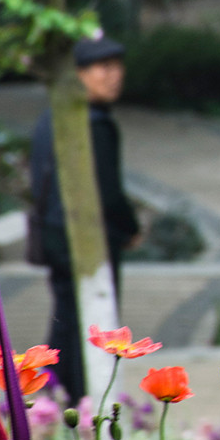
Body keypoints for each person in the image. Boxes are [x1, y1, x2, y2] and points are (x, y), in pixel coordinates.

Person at [29, 34, 141, 406]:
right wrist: (130, 228)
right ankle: (77, 401)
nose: (114, 75)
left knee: (68, 320)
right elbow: (108, 192)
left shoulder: (53, 115)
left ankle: (52, 397)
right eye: (103, 68)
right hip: (86, 240)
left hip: (53, 235)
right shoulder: (93, 123)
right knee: (86, 325)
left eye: (117, 66)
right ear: (78, 74)